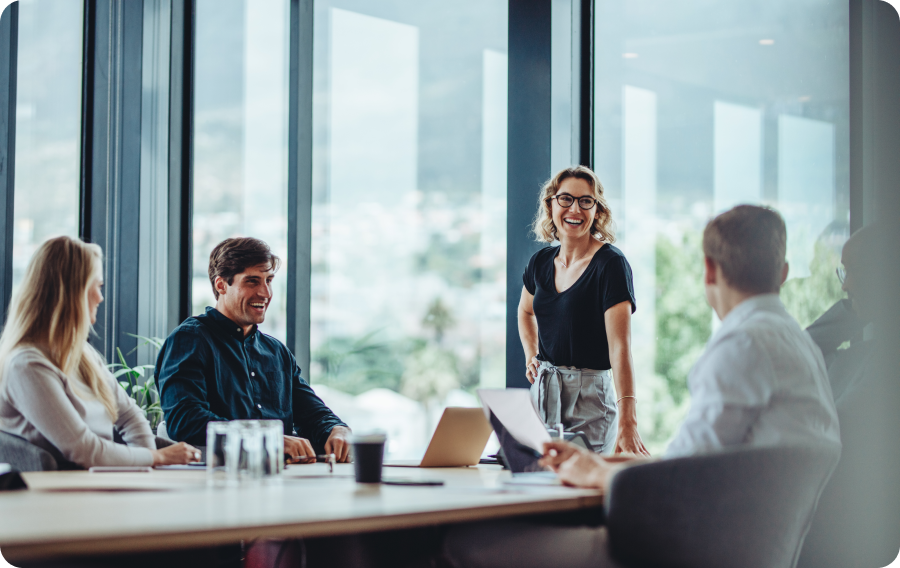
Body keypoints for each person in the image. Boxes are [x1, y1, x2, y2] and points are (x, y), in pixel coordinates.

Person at [443, 205, 841, 568]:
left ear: (709, 271)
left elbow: (683, 482)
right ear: (784, 272)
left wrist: (597, 474)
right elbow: (703, 461)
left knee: (461, 543)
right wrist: (599, 463)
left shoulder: (743, 345)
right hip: (742, 549)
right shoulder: (798, 344)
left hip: (675, 550)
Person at [0, 236, 199, 468]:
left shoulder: (81, 353)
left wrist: (146, 466)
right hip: (58, 494)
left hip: (96, 482)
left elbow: (129, 416)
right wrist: (157, 457)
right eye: (98, 286)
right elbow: (83, 450)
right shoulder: (27, 366)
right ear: (74, 292)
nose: (101, 297)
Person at [157, 237, 351, 463]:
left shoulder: (276, 352)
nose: (265, 293)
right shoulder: (190, 340)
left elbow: (312, 413)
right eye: (252, 281)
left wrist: (337, 429)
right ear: (221, 285)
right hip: (216, 481)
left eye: (269, 280)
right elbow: (186, 421)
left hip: (282, 480)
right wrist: (268, 439)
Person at [519, 165, 647, 455]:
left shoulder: (610, 265)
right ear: (551, 204)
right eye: (565, 199)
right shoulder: (540, 262)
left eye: (585, 201)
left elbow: (620, 348)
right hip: (542, 393)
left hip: (590, 399)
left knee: (583, 493)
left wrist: (629, 421)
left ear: (597, 210)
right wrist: (531, 355)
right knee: (538, 487)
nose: (574, 209)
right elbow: (525, 312)